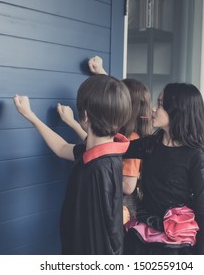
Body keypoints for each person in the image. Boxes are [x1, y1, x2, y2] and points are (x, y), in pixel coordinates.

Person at [13, 74, 132, 255]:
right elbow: (61, 148)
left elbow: (97, 238)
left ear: (84, 116)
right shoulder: (105, 153)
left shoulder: (97, 170)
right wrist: (31, 116)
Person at [58, 56, 152, 224]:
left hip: (122, 209)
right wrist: (100, 72)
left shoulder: (132, 138)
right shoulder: (121, 132)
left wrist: (107, 177)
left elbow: (128, 186)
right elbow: (94, 142)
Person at [123, 83, 204, 255]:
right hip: (146, 232)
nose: (153, 109)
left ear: (177, 111)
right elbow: (113, 149)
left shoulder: (195, 156)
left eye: (160, 104)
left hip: (178, 240)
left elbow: (203, 214)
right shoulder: (149, 145)